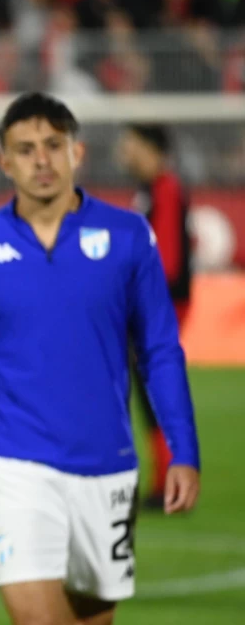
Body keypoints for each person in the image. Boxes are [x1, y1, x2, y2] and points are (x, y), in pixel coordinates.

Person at [0, 93, 200, 625]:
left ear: (76, 152)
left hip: (106, 469)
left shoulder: (127, 237)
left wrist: (182, 448)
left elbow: (161, 348)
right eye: (25, 149)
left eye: (52, 145)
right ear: (4, 162)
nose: (41, 160)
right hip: (15, 465)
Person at [117, 123, 194, 510]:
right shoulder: (151, 191)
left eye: (131, 146)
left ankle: (168, 483)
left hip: (159, 308)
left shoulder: (164, 189)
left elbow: (168, 261)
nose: (125, 153)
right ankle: (164, 480)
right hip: (154, 306)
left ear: (152, 150)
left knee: (152, 393)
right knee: (149, 394)